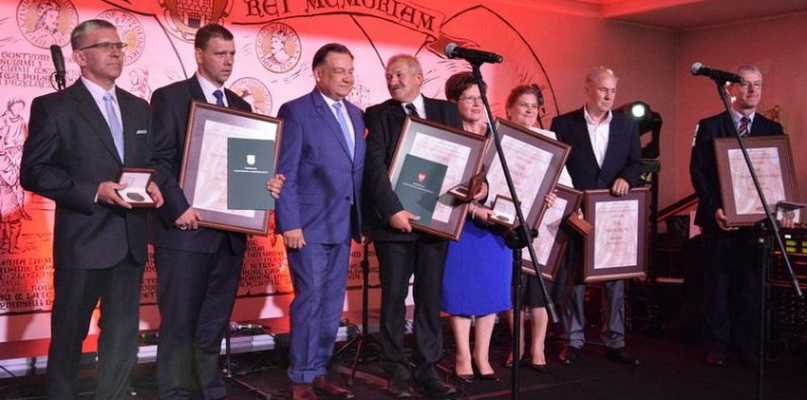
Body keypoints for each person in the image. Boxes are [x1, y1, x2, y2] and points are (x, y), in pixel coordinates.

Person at [20, 19, 164, 399]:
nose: (116, 52)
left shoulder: (138, 108)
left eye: (119, 46)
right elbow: (34, 172)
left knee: (122, 338)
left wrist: (154, 185)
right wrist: (93, 192)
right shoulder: (54, 107)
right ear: (80, 57)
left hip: (130, 243)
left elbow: (149, 163)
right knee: (69, 336)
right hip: (83, 242)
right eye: (105, 46)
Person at [149, 24, 282, 399]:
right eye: (220, 53)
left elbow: (245, 170)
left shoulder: (241, 107)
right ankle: (174, 392)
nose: (228, 61)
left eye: (232, 54)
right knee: (178, 321)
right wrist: (178, 208)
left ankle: (208, 387)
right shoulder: (170, 98)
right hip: (185, 232)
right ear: (199, 55)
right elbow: (158, 160)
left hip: (229, 236)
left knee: (213, 321)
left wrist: (266, 186)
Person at [364, 54, 461, 399]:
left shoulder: (447, 112)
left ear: (419, 77)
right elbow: (374, 167)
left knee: (429, 297)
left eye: (400, 75)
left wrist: (476, 187)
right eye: (389, 76)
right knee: (393, 298)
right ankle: (396, 370)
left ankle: (427, 369)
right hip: (393, 224)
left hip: (435, 224)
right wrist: (392, 209)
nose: (393, 81)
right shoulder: (378, 114)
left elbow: (461, 158)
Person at [275, 43, 365, 400]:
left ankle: (319, 370)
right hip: (308, 227)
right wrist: (290, 224)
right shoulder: (296, 112)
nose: (347, 78)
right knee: (309, 300)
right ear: (318, 74)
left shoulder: (357, 115)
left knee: (330, 304)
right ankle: (300, 377)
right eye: (339, 71)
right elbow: (286, 172)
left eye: (351, 71)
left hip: (343, 225)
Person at [689, 65, 792, 367]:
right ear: (730, 89)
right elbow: (698, 173)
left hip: (757, 225)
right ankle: (717, 347)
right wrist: (714, 209)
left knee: (752, 287)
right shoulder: (710, 126)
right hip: (720, 220)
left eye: (758, 84)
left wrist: (786, 211)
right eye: (746, 84)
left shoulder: (772, 130)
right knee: (718, 288)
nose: (752, 90)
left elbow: (780, 176)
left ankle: (749, 347)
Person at [552, 66, 642, 366]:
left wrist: (627, 178)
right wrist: (570, 200)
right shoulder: (564, 124)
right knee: (574, 279)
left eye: (613, 91)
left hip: (613, 213)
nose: (608, 96)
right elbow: (557, 166)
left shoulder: (627, 124)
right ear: (588, 89)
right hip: (577, 212)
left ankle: (615, 340)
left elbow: (636, 162)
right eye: (603, 89)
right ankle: (573, 340)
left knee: (615, 280)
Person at [439, 72, 508, 383]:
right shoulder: (447, 136)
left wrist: (488, 202)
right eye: (469, 98)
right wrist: (472, 209)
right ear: (454, 102)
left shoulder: (499, 139)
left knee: (490, 290)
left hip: (494, 227)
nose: (477, 104)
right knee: (461, 291)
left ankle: (482, 354)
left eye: (481, 98)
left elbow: (510, 181)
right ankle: (462, 355)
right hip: (459, 225)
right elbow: (440, 183)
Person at [503, 84, 574, 372]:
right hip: (509, 222)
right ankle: (517, 345)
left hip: (543, 226)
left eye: (534, 106)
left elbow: (566, 185)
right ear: (509, 109)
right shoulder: (501, 139)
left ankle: (538, 348)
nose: (530, 111)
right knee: (513, 290)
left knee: (539, 289)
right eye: (524, 105)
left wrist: (556, 195)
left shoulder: (550, 140)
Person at [0, 98, 30, 253]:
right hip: (6, 159)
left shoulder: (22, 121)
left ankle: (12, 242)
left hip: (19, 157)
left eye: (20, 107)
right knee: (7, 199)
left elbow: (26, 140)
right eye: (15, 107)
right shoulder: (3, 120)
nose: (18, 110)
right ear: (10, 106)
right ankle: (6, 242)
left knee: (19, 190)